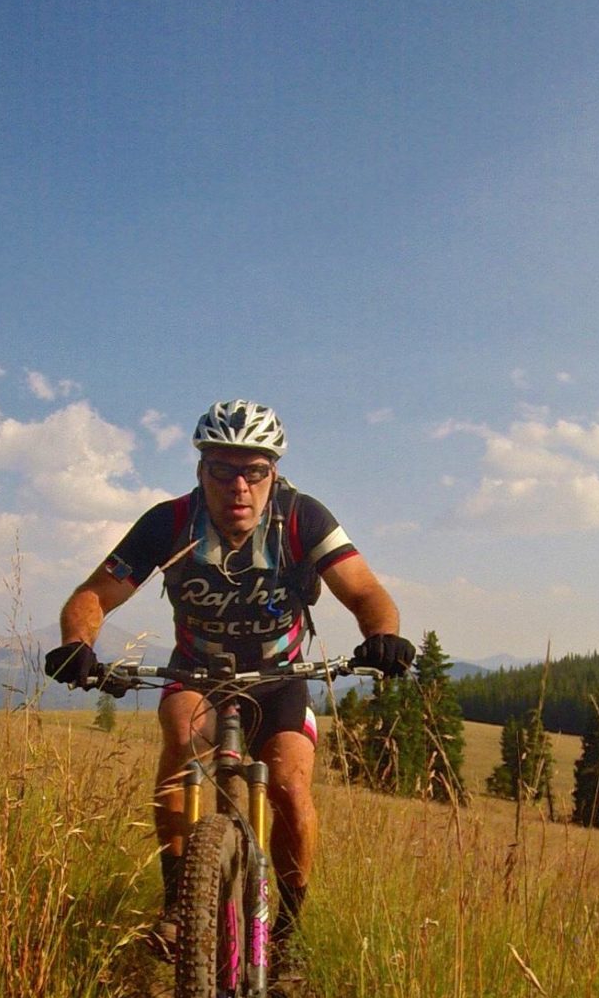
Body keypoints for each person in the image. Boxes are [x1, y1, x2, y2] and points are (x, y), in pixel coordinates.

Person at [44, 399, 414, 944]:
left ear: (273, 474)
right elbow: (94, 595)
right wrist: (77, 643)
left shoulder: (302, 517)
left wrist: (380, 635)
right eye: (223, 469)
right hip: (197, 669)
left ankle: (286, 932)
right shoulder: (166, 524)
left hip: (280, 673)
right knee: (182, 738)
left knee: (288, 784)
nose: (239, 486)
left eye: (254, 471)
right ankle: (177, 904)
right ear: (201, 471)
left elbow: (363, 589)